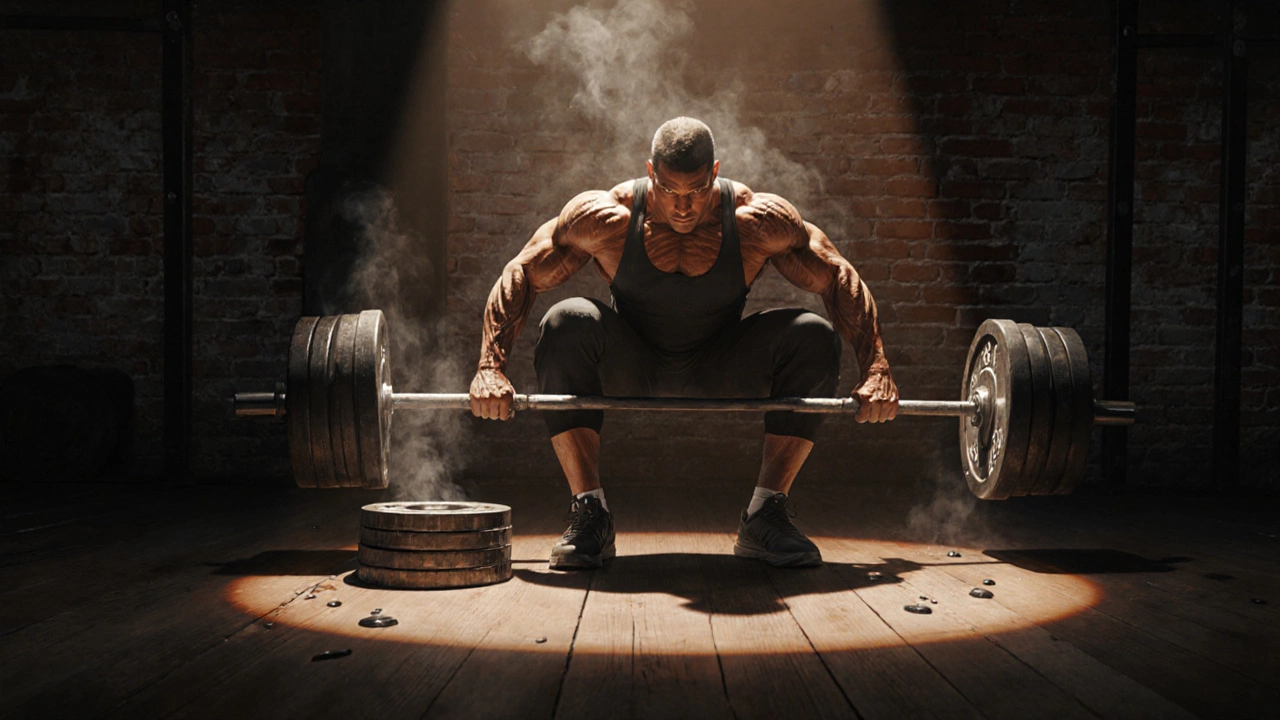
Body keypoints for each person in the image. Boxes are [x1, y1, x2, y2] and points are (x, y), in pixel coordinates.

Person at [469, 117, 898, 570]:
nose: (683, 208)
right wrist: (490, 368)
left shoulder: (756, 221)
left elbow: (836, 275)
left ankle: (764, 514)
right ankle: (589, 512)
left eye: (695, 192)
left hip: (721, 364)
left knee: (811, 334)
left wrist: (876, 370)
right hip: (633, 365)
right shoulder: (606, 218)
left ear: (714, 173)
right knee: (566, 320)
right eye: (670, 192)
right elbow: (521, 272)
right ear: (651, 172)